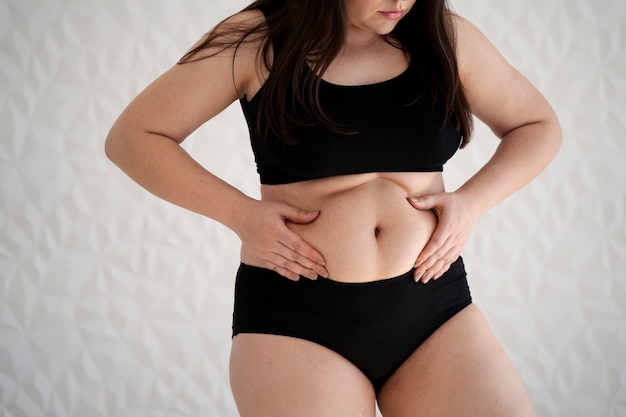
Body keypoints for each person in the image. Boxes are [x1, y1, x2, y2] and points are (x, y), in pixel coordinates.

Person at [105, 0, 561, 415]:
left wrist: (472, 201)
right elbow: (133, 137)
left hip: (434, 309)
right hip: (296, 318)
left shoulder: (443, 36)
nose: (400, 1)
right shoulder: (256, 39)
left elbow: (537, 124)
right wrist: (240, 214)